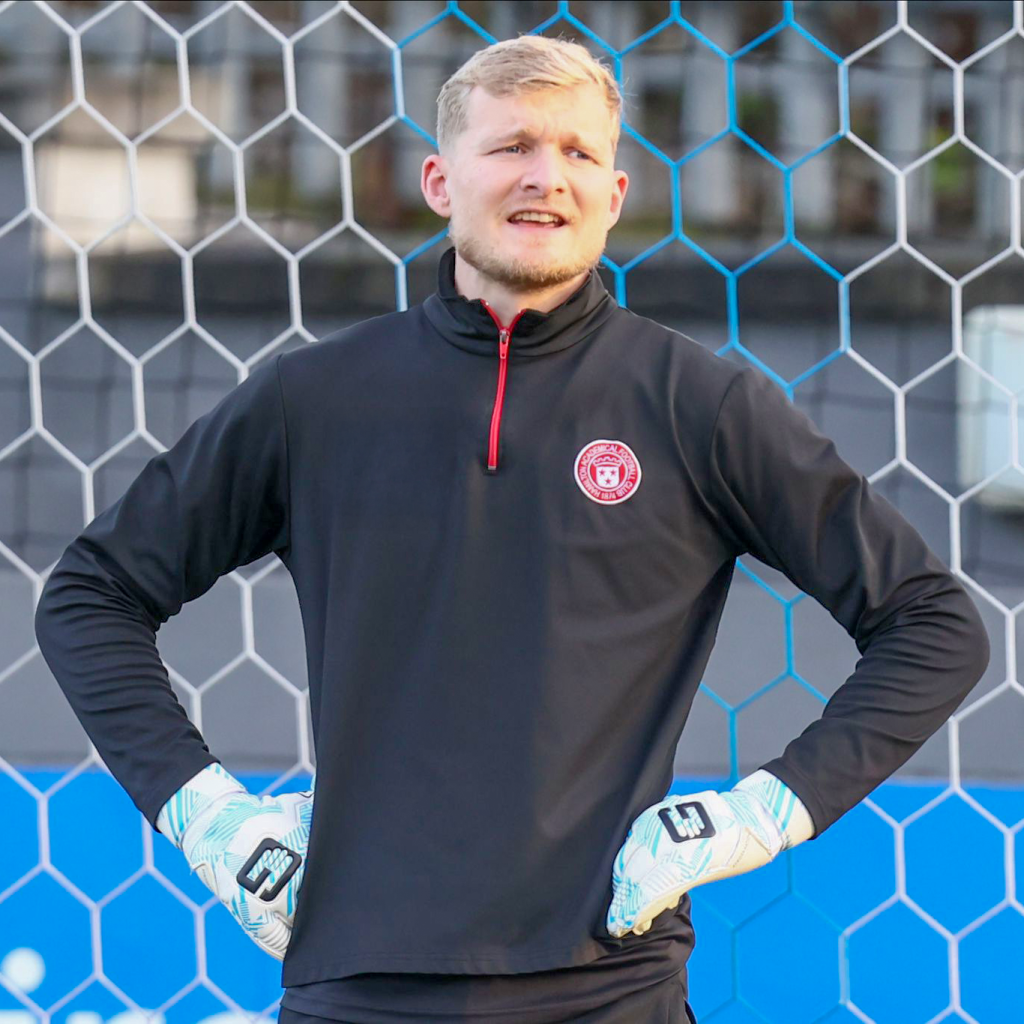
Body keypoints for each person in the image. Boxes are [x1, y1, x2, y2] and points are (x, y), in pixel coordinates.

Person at [34, 34, 989, 1024]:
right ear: (440, 182)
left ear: (614, 196)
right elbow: (91, 596)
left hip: (611, 987)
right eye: (512, 147)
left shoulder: (699, 406)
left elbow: (933, 624)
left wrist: (764, 813)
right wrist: (207, 817)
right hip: (356, 985)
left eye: (579, 153)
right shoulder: (314, 399)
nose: (547, 176)